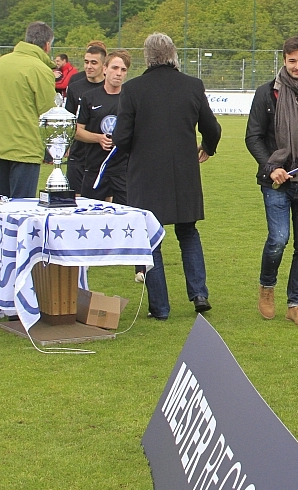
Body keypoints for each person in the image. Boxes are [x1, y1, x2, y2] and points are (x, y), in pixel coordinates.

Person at [113, 33, 222, 320]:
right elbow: (212, 128)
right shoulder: (192, 86)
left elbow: (121, 137)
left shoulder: (133, 89)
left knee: (151, 240)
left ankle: (160, 307)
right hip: (184, 173)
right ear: (174, 54)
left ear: (146, 56)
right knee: (188, 233)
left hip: (146, 175)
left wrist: (137, 150)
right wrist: (207, 147)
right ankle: (199, 294)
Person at [245, 36, 298, 327]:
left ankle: (296, 305)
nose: (297, 66)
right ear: (284, 60)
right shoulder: (266, 93)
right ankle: (267, 287)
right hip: (277, 183)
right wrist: (271, 167)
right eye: (292, 61)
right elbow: (253, 137)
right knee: (278, 240)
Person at [0, 21, 57, 198]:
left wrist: (3, 120)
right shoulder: (41, 70)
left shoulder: (0, 63)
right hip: (26, 148)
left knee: (0, 206)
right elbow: (49, 113)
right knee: (21, 208)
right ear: (47, 45)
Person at [74, 50, 131, 204]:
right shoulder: (89, 97)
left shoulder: (130, 98)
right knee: (91, 214)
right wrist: (98, 138)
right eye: (115, 68)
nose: (118, 73)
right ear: (105, 69)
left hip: (122, 171)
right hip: (95, 169)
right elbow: (77, 131)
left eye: (123, 70)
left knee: (125, 215)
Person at [65, 41, 107, 193]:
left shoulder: (110, 89)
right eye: (86, 62)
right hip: (78, 155)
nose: (89, 66)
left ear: (104, 66)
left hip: (102, 156)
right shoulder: (75, 88)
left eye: (94, 63)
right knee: (76, 199)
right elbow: (70, 124)